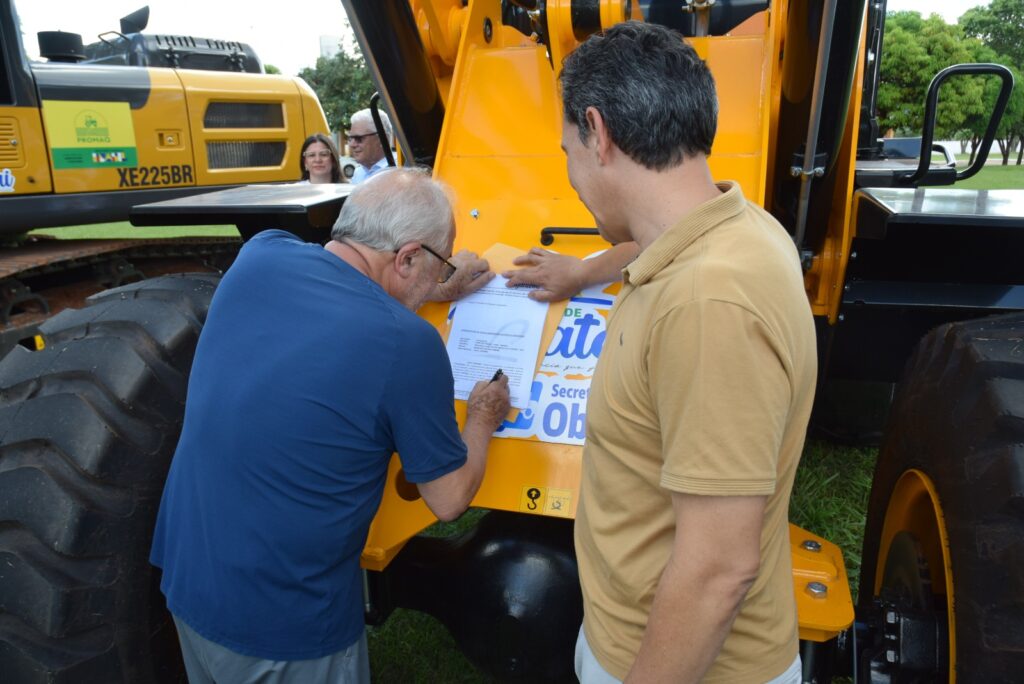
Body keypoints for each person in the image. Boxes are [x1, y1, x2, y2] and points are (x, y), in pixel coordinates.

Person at [150, 167, 509, 683]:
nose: (443, 276)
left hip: (189, 580)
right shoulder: (406, 345)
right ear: (407, 257)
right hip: (286, 625)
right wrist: (482, 416)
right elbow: (449, 499)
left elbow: (333, 296)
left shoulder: (261, 255)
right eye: (440, 263)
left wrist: (428, 291)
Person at [550, 22, 817, 684]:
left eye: (567, 151)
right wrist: (581, 273)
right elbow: (651, 242)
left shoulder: (707, 305)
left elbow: (717, 570)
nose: (572, 174)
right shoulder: (736, 224)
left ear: (598, 131)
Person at [348, 108, 393, 184]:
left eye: (358, 138)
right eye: (350, 138)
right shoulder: (359, 173)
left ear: (382, 138)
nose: (352, 144)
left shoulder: (400, 170)